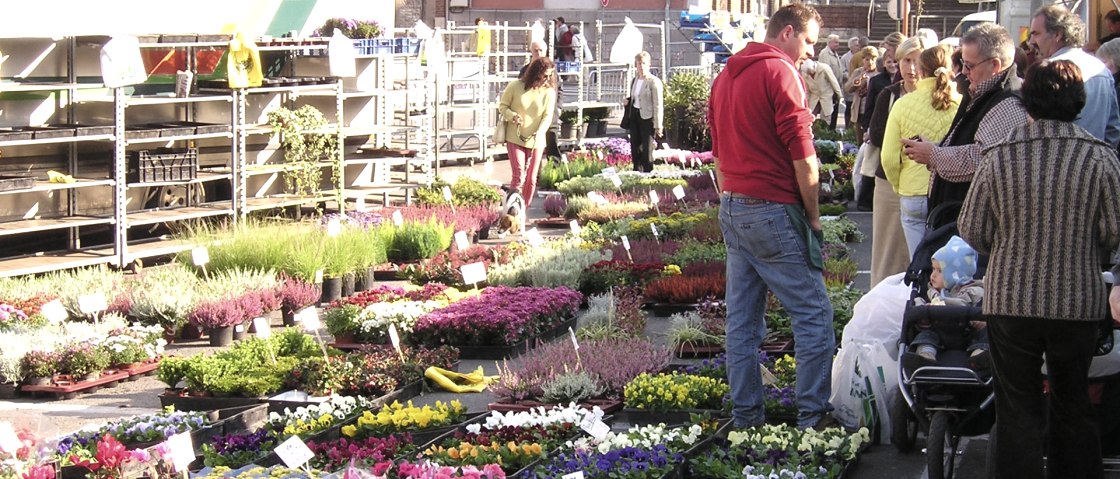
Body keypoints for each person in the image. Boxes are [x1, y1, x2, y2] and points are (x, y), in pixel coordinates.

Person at [960, 59, 1120, 479]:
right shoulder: (1101, 158)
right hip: (1077, 300)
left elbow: (972, 228)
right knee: (1074, 402)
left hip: (1010, 299)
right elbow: (1113, 230)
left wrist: (1010, 242)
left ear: (1026, 99)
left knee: (1017, 409)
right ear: (1078, 102)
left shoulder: (999, 155)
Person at [708, 3, 837, 431]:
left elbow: (720, 156)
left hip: (735, 203)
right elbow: (804, 157)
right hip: (773, 206)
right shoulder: (781, 72)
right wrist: (813, 218)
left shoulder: (726, 76)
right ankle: (812, 421)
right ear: (786, 32)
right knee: (813, 315)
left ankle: (746, 419)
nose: (809, 51)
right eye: (808, 40)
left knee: (742, 324)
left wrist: (734, 200)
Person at [900, 23, 1029, 215]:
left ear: (995, 65)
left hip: (973, 222)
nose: (965, 73)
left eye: (970, 65)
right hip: (959, 215)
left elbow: (984, 160)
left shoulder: (1008, 103)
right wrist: (937, 148)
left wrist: (935, 154)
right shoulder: (984, 91)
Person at [881, 44, 961, 258]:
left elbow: (888, 157)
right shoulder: (961, 103)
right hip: (949, 192)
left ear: (922, 70)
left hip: (913, 191)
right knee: (948, 265)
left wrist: (899, 185)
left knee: (919, 261)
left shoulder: (902, 104)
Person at [865, 36, 931, 287]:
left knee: (921, 253)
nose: (911, 68)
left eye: (917, 61)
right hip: (890, 182)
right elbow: (877, 133)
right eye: (906, 61)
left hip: (926, 183)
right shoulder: (889, 95)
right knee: (887, 253)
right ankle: (881, 307)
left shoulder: (942, 95)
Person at [1030, 4, 1120, 147]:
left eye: (1036, 33)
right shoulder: (1101, 69)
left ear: (1057, 34)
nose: (1031, 41)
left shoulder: (1047, 72)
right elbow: (1113, 129)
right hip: (1095, 161)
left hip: (1056, 161)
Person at [901, 235, 989, 371]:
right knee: (925, 335)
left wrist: (982, 322)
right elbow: (919, 309)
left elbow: (978, 308)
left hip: (967, 334)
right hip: (939, 333)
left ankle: (979, 356)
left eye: (940, 270)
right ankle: (925, 357)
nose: (933, 275)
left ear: (956, 274)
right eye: (932, 269)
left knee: (986, 334)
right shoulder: (932, 293)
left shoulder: (974, 291)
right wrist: (923, 320)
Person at [855, 32, 906, 211]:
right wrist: (868, 128)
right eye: (889, 59)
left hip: (892, 133)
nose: (893, 61)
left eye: (891, 53)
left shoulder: (901, 81)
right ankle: (864, 201)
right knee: (872, 167)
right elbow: (870, 106)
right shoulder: (879, 81)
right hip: (880, 128)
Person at [499, 57, 557, 210]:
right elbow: (503, 107)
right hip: (515, 136)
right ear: (535, 73)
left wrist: (541, 131)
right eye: (544, 75)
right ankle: (512, 210)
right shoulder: (515, 86)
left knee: (531, 179)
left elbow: (547, 116)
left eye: (550, 76)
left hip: (536, 140)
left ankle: (523, 210)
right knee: (518, 175)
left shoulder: (549, 93)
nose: (547, 79)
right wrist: (513, 116)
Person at [627, 51, 664, 173]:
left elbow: (658, 104)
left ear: (648, 64)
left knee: (647, 149)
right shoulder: (634, 80)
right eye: (639, 63)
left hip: (648, 118)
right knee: (635, 147)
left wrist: (658, 125)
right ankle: (636, 172)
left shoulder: (654, 81)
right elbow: (635, 97)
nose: (641, 66)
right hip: (635, 116)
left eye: (643, 63)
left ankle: (648, 173)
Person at [844, 46, 879, 144]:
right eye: (867, 59)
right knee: (860, 140)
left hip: (873, 111)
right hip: (860, 111)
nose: (870, 62)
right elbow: (847, 88)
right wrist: (859, 79)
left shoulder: (879, 73)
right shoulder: (858, 72)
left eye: (873, 59)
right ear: (863, 60)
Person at [799, 59, 842, 125]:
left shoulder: (824, 68)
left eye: (811, 73)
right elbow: (807, 90)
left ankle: (825, 132)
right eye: (808, 73)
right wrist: (806, 103)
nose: (810, 74)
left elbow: (834, 82)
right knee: (810, 116)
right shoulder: (805, 73)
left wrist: (839, 95)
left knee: (826, 117)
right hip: (814, 96)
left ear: (814, 67)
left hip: (826, 95)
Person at [818, 34, 846, 129]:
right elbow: (827, 73)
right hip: (828, 88)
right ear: (829, 42)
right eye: (836, 42)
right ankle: (825, 135)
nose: (838, 44)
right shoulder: (825, 54)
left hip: (836, 88)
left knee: (834, 114)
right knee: (827, 115)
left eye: (838, 42)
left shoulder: (835, 53)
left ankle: (832, 133)